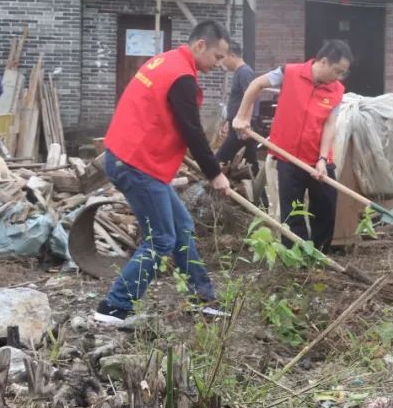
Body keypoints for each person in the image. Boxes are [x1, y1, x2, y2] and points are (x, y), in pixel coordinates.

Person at [94, 21, 232, 325]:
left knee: (181, 226)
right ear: (199, 46)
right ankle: (114, 306)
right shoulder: (181, 75)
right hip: (137, 164)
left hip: (130, 156)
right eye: (218, 57)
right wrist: (215, 173)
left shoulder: (166, 61)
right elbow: (193, 131)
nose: (219, 64)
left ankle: (201, 297)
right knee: (161, 240)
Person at [232, 40, 352, 253]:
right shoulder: (290, 73)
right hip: (288, 157)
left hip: (318, 160)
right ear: (323, 61)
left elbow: (329, 124)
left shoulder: (337, 90)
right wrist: (241, 116)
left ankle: (319, 254)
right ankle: (296, 259)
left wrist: (323, 159)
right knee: (292, 211)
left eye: (343, 73)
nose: (339, 77)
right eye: (337, 71)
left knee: (326, 207)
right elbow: (256, 84)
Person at [215, 44, 260, 176]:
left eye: (224, 58)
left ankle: (207, 186)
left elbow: (251, 97)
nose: (222, 62)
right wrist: (229, 121)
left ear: (233, 56)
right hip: (238, 125)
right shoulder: (240, 72)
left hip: (242, 127)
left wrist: (246, 123)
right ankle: (258, 192)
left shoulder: (245, 72)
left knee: (221, 158)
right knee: (250, 160)